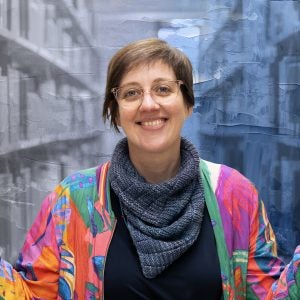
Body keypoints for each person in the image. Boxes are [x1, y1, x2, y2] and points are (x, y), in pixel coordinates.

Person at [0, 38, 299, 300]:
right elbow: (32, 293)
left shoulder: (234, 194)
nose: (149, 104)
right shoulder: (73, 200)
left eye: (163, 89)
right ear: (115, 112)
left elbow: (268, 294)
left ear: (188, 104)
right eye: (131, 93)